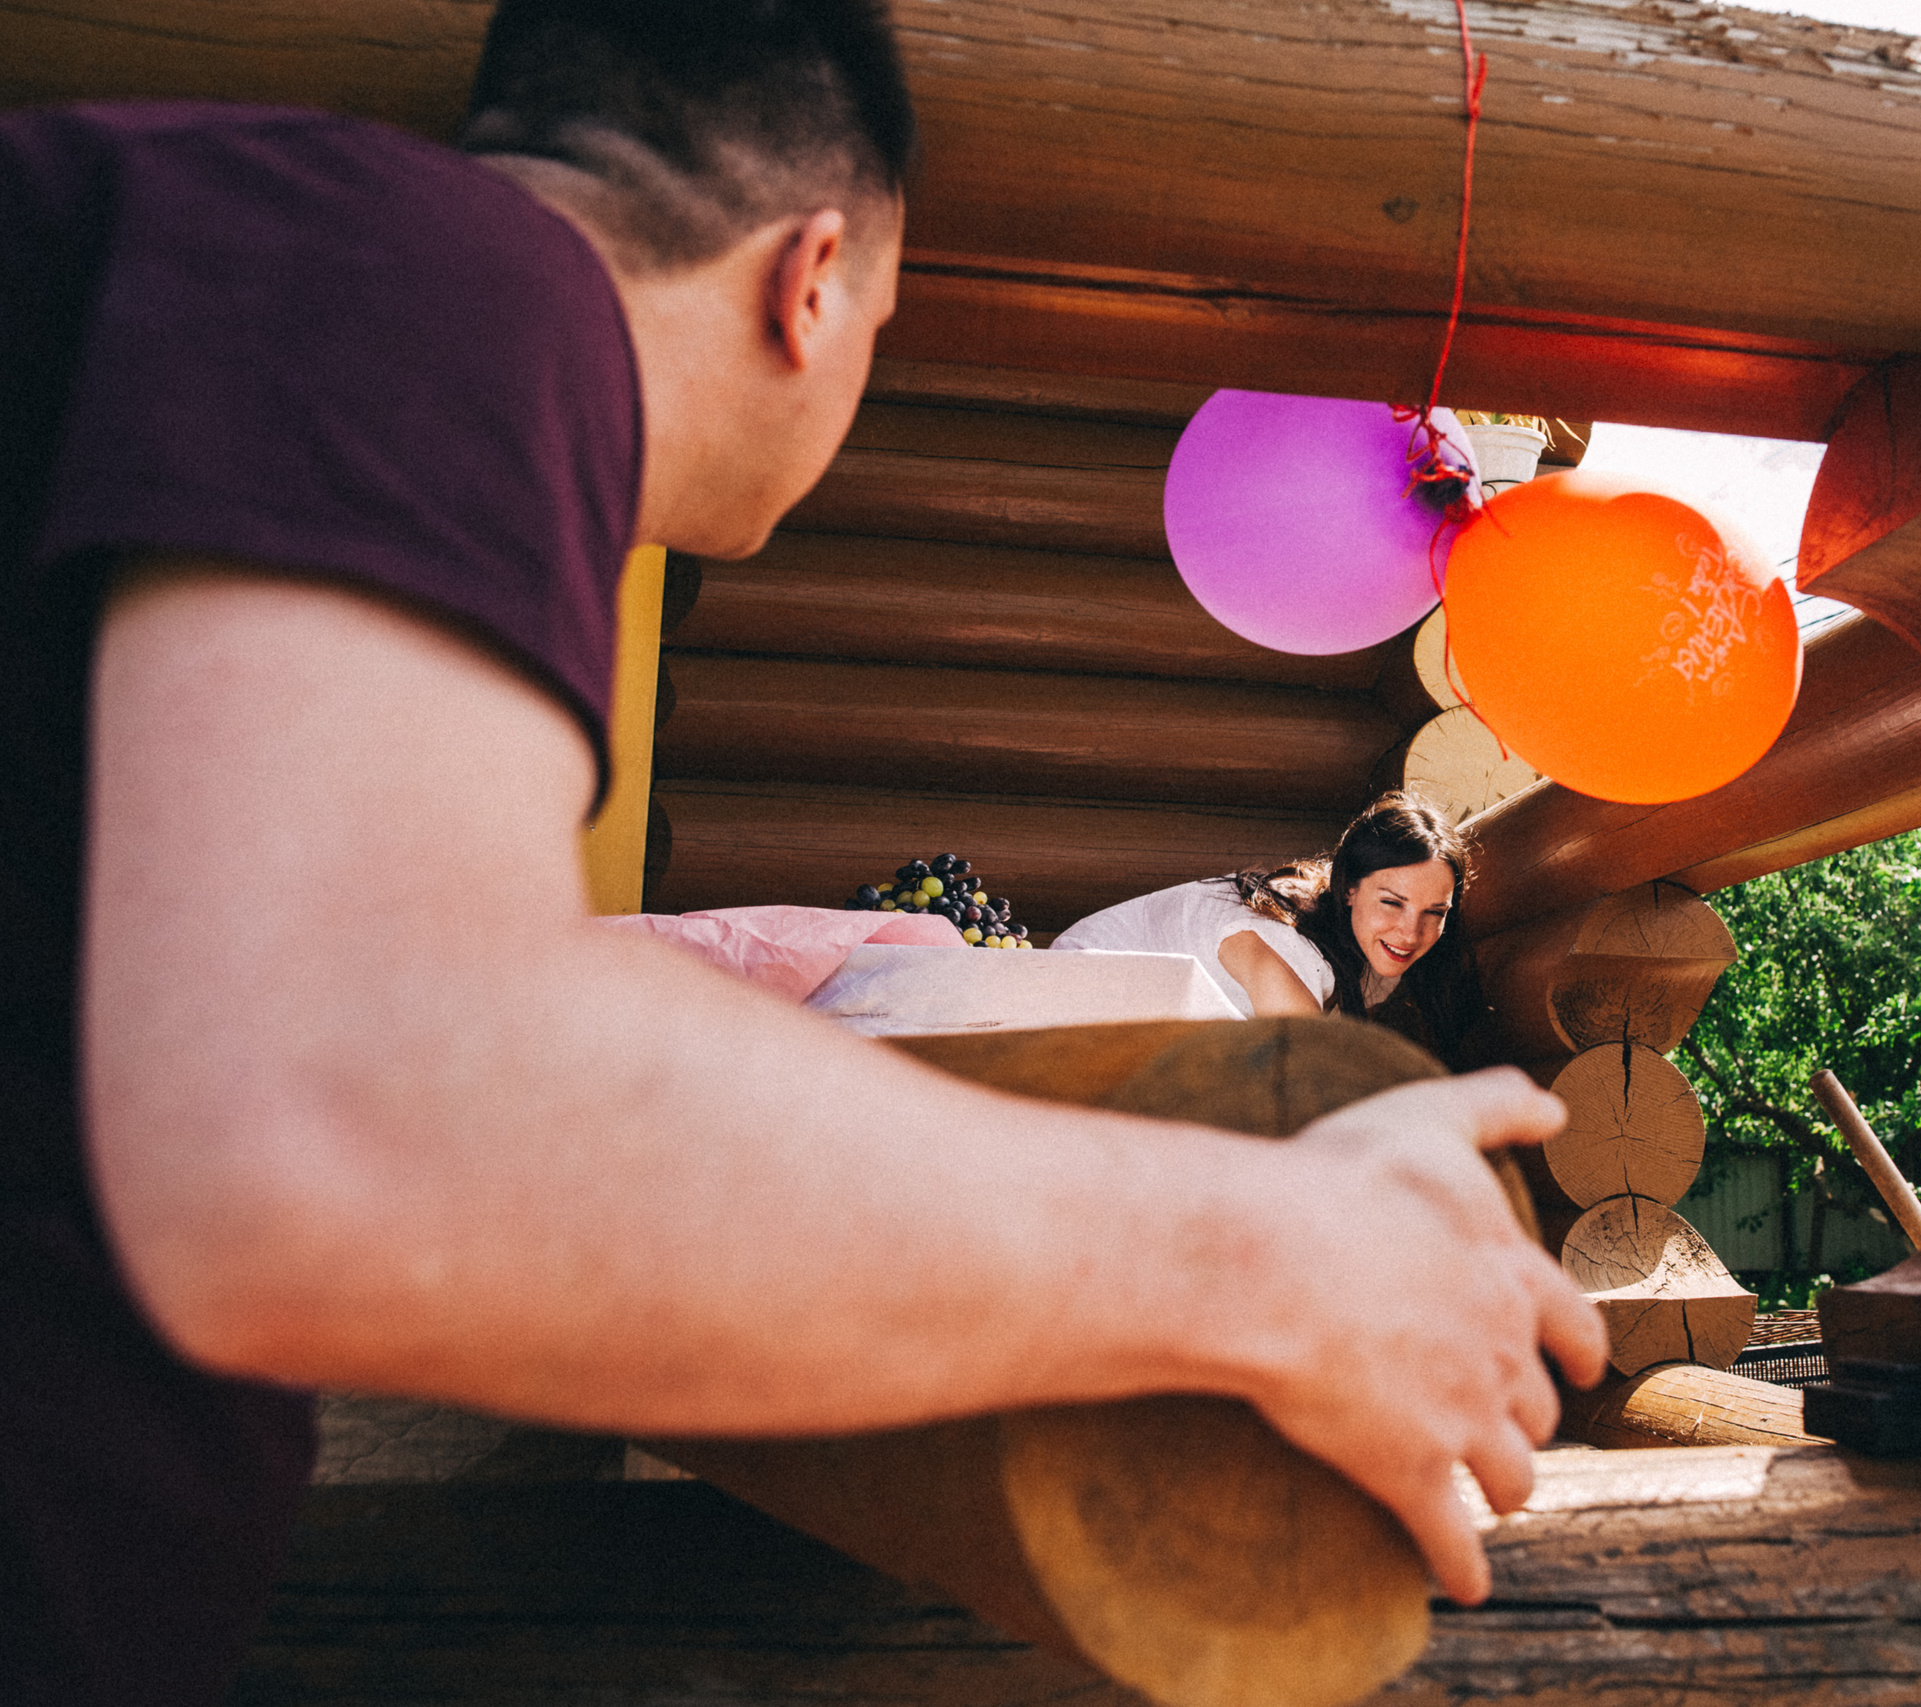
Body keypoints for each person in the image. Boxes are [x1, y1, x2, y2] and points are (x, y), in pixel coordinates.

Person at [0, 4, 1607, 1703]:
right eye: (891, 327)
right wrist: (1281, 1255)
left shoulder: (287, 294)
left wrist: (610, 979)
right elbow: (332, 1120)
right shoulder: (440, 271)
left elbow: (177, 984)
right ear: (815, 276)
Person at [1053, 792, 1489, 1063]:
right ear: (1349, 888)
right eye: (1392, 903)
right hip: (1067, 1006)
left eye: (1436, 912)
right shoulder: (1280, 944)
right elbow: (1309, 1078)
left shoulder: (1373, 954)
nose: (1411, 932)